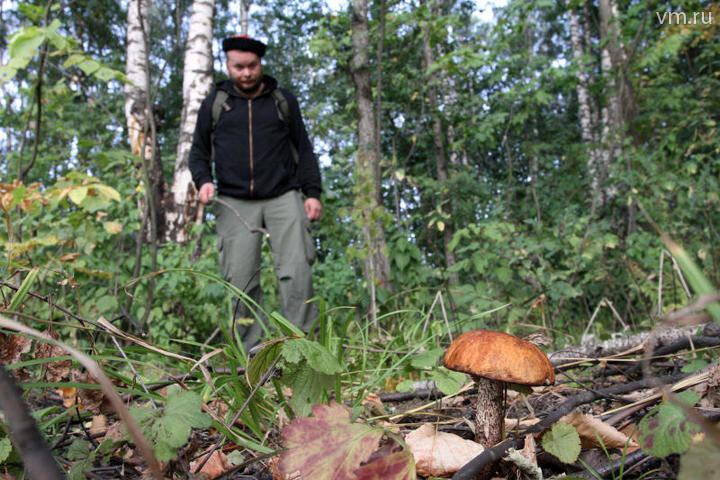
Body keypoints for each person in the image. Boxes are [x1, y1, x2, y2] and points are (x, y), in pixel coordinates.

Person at [189, 35, 322, 351]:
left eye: (252, 66)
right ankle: (253, 357)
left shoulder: (282, 101)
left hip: (283, 197)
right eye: (239, 67)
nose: (246, 73)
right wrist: (203, 180)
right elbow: (197, 153)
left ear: (260, 64)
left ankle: (301, 349)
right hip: (234, 201)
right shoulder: (216, 104)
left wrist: (312, 193)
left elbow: (304, 150)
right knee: (240, 281)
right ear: (228, 65)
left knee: (297, 273)